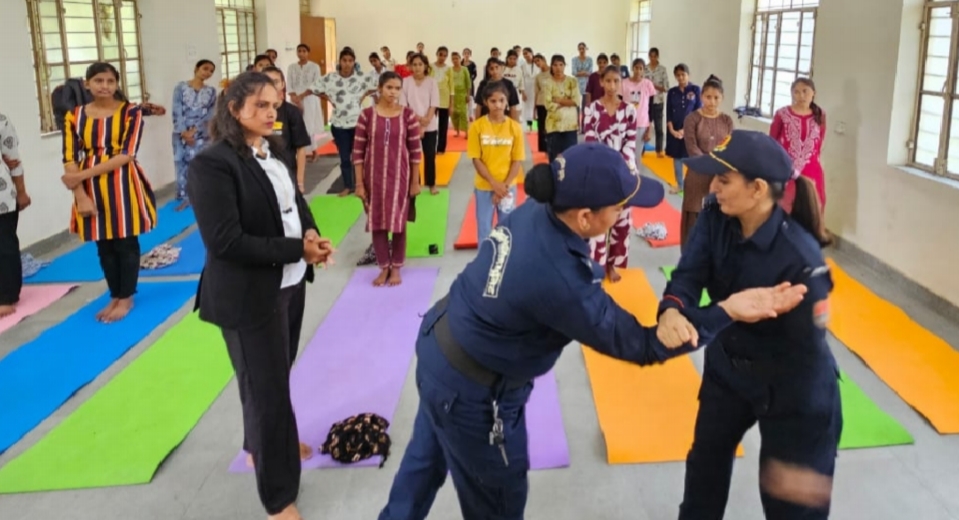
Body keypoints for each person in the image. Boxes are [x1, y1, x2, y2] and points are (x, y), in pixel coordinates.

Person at [376, 142, 810, 520]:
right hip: (473, 392)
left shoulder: (542, 207)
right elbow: (642, 344)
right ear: (586, 217)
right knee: (498, 504)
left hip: (440, 348)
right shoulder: (561, 279)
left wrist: (674, 306)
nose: (625, 216)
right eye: (619, 208)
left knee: (421, 468)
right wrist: (727, 310)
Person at [658, 130, 838, 520]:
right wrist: (671, 309)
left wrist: (804, 451)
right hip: (727, 370)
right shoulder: (714, 217)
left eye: (724, 180)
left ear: (757, 190)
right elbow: (688, 275)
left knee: (789, 505)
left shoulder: (801, 260)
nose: (713, 188)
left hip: (791, 389)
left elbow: (806, 357)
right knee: (703, 476)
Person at [188, 72, 334, 520]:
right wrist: (297, 250)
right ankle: (278, 498)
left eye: (275, 104)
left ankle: (262, 446)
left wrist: (312, 235)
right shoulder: (213, 164)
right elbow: (225, 241)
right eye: (262, 105)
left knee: (273, 377)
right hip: (247, 296)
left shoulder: (272, 151)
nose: (273, 113)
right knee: (267, 391)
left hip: (288, 283)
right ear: (235, 109)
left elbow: (295, 203)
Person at [61, 62, 157, 323]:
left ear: (116, 84)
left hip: (123, 182)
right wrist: (80, 195)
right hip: (90, 188)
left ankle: (126, 297)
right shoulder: (74, 116)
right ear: (87, 84)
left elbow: (127, 154)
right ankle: (115, 294)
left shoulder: (130, 112)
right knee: (103, 245)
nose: (104, 86)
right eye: (98, 81)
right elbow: (69, 158)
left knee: (125, 243)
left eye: (110, 81)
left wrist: (81, 176)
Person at [354, 72, 423, 287]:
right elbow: (357, 152)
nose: (393, 92)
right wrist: (359, 183)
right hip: (373, 178)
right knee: (377, 222)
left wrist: (414, 182)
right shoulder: (366, 115)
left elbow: (415, 151)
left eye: (397, 88)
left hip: (400, 178)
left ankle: (397, 267)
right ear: (380, 88)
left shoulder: (408, 115)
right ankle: (383, 266)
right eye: (389, 88)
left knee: (399, 223)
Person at [584, 66, 639, 282]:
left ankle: (613, 264)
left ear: (621, 83)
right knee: (598, 220)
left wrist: (619, 169)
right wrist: (604, 168)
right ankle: (596, 264)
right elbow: (590, 142)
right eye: (608, 81)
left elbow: (630, 143)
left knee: (621, 222)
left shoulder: (629, 110)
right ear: (601, 82)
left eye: (616, 81)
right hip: (598, 172)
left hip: (623, 173)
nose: (612, 86)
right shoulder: (592, 109)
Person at [680, 74, 734, 250]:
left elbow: (729, 147)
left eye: (716, 97)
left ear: (722, 98)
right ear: (701, 96)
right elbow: (692, 148)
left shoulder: (727, 120)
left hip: (721, 178)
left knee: (718, 221)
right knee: (694, 223)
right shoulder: (692, 119)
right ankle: (690, 259)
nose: (712, 102)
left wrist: (721, 169)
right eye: (708, 97)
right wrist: (710, 165)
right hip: (697, 176)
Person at [467, 81, 525, 242]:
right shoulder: (477, 127)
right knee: (484, 229)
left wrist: (503, 187)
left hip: (508, 188)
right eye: (493, 101)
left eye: (501, 100)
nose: (498, 105)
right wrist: (494, 184)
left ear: (507, 101)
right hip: (484, 187)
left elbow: (517, 160)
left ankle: (505, 259)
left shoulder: (515, 128)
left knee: (506, 230)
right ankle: (485, 258)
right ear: (486, 102)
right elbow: (476, 159)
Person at [770, 77, 827, 212]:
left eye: (805, 91)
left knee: (811, 209)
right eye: (796, 92)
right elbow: (772, 142)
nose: (801, 96)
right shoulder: (782, 114)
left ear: (814, 93)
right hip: (786, 170)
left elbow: (819, 142)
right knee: (785, 208)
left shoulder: (820, 115)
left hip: (812, 171)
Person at [171, 59, 217, 211]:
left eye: (211, 71)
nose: (207, 73)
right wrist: (184, 132)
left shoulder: (211, 91)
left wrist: (195, 130)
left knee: (199, 164)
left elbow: (210, 114)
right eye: (205, 68)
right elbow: (177, 110)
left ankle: (199, 195)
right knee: (181, 163)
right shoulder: (180, 87)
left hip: (201, 133)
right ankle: (184, 196)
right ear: (196, 69)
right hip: (181, 133)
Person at [0, 113, 31, 319]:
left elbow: (14, 160)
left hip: (2, 199)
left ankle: (6, 297)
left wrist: (21, 192)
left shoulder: (1, 120)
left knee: (4, 247)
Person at [263, 66, 313, 193]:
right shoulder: (256, 112)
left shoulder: (292, 112)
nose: (272, 86)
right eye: (267, 81)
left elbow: (301, 149)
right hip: (262, 174)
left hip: (286, 173)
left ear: (283, 84)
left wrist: (300, 182)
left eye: (275, 82)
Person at [665, 63, 701, 194]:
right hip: (674, 130)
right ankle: (680, 185)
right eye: (678, 75)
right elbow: (669, 112)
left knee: (691, 158)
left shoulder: (695, 90)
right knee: (677, 158)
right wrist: (672, 130)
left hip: (691, 130)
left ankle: (691, 184)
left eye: (683, 74)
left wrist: (686, 130)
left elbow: (698, 112)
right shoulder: (672, 92)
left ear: (688, 75)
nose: (681, 77)